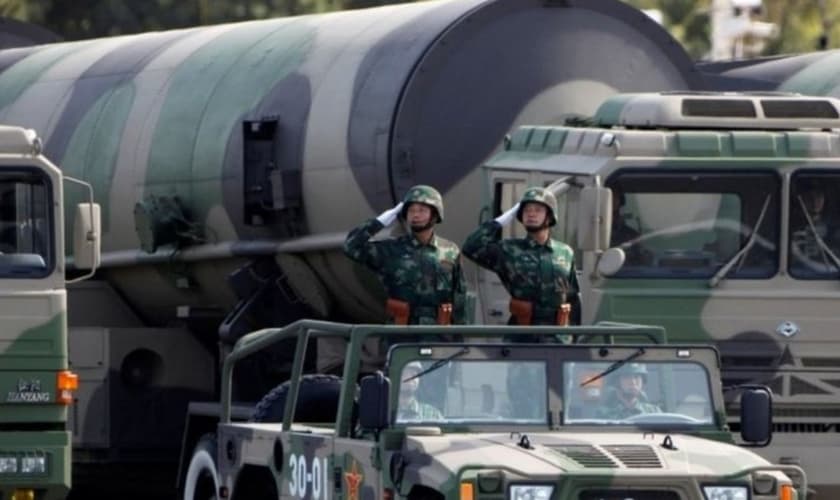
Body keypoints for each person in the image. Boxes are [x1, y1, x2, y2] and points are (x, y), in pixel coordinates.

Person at [343, 185, 467, 325]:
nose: (415, 215)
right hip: (401, 335)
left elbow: (459, 297)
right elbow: (350, 246)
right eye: (411, 210)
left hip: (440, 335)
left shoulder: (450, 251)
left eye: (422, 210)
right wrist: (379, 222)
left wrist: (460, 337)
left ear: (435, 214)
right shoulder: (390, 250)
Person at [462, 186, 579, 328]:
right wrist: (501, 221)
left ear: (549, 216)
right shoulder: (509, 250)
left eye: (537, 210)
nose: (531, 214)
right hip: (522, 335)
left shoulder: (565, 252)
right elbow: (471, 246)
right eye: (526, 210)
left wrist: (574, 337)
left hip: (558, 338)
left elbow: (573, 298)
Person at [791, 180, 840, 272]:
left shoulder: (834, 229)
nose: (814, 201)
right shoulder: (786, 227)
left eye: (818, 196)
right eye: (809, 197)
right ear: (800, 199)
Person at [597, 364, 661, 420]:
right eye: (627, 377)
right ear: (617, 383)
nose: (633, 382)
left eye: (636, 377)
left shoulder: (653, 412)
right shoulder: (604, 414)